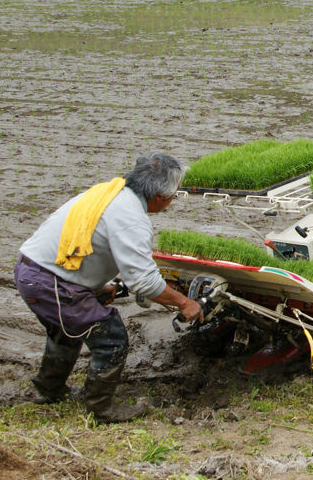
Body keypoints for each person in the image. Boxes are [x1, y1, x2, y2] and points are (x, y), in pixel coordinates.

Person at [15, 152, 202, 423]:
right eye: (173, 196)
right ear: (160, 197)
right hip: (49, 281)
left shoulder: (109, 192)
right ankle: (100, 409)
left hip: (33, 270)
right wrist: (184, 303)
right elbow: (144, 281)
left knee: (68, 329)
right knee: (111, 338)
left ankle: (49, 389)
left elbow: (87, 244)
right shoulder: (131, 218)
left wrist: (93, 288)